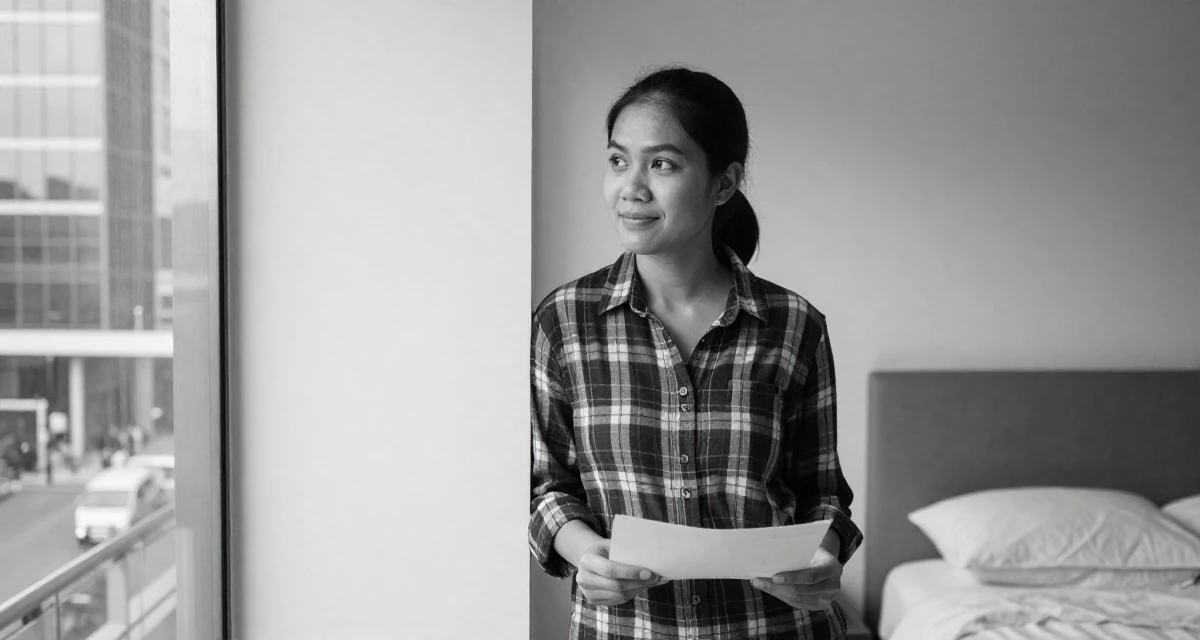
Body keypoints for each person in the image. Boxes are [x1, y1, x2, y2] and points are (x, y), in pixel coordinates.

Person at [529, 65, 863, 639]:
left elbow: (822, 495)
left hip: (776, 628)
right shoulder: (564, 320)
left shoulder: (793, 325)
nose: (631, 186)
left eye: (662, 163)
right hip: (625, 630)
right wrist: (586, 553)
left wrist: (824, 556)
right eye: (617, 160)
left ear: (724, 183)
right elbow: (546, 487)